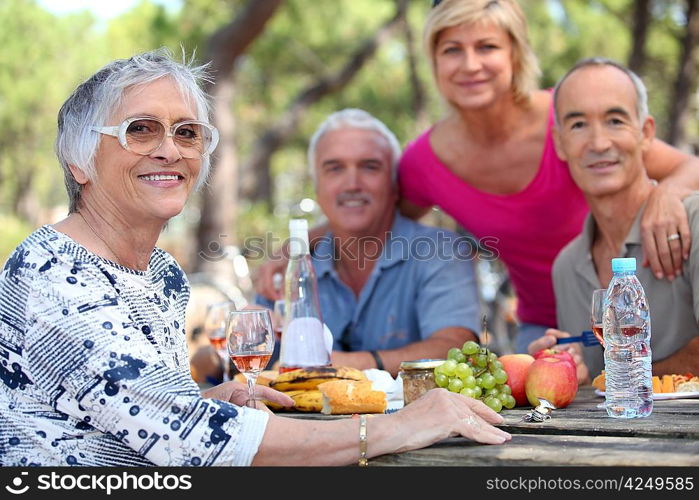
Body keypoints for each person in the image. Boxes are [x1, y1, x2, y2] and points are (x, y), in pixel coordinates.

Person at [0, 49, 510, 466]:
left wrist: (203, 402)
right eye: (141, 129)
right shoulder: (56, 275)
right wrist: (395, 428)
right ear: (79, 160)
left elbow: (126, 418)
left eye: (187, 132)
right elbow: (190, 443)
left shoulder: (161, 274)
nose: (171, 150)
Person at [257, 0, 699, 354]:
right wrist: (300, 244)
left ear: (515, 55)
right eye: (452, 49)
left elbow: (686, 165)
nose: (470, 64)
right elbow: (373, 215)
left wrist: (669, 193)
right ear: (434, 60)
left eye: (487, 47)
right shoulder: (424, 162)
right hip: (546, 332)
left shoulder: (572, 122)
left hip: (636, 311)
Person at [258, 109, 482, 376]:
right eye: (335, 168)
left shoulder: (441, 250)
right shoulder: (292, 264)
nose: (352, 184)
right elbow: (244, 358)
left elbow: (454, 349)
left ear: (394, 185)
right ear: (317, 188)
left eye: (369, 167)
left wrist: (334, 363)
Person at [528, 58, 699, 382]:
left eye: (615, 121)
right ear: (560, 144)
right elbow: (593, 382)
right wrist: (562, 365)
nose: (599, 143)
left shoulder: (693, 220)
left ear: (646, 133)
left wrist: (622, 377)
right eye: (578, 125)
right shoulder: (566, 265)